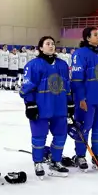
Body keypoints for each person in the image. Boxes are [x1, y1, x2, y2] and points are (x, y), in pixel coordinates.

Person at [20, 36, 71, 179]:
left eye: (53, 43)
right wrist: (30, 104)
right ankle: (38, 162)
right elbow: (27, 86)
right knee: (39, 136)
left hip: (59, 106)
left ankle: (56, 161)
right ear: (41, 48)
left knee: (61, 135)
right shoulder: (33, 65)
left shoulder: (62, 65)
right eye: (47, 44)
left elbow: (67, 85)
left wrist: (70, 102)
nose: (51, 46)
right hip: (41, 107)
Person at [70, 27, 98, 170]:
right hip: (87, 99)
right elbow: (77, 79)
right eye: (95, 34)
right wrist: (81, 98)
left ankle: (97, 155)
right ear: (87, 38)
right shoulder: (80, 54)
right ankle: (80, 156)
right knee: (84, 128)